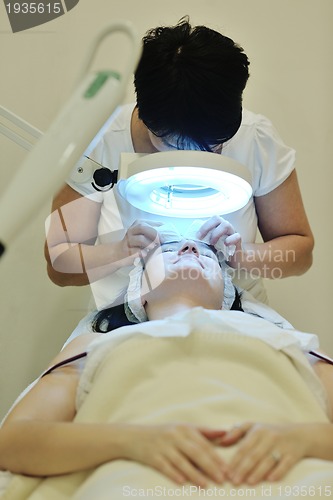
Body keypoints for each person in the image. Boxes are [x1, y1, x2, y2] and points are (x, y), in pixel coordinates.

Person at [1, 238, 332, 496]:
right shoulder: (92, 344)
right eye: (169, 249)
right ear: (138, 291)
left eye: (207, 254)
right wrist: (130, 442)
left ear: (226, 293)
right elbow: (14, 442)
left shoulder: (291, 341)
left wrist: (303, 439)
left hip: (293, 476)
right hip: (132, 479)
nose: (189, 247)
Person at [44, 16, 314, 309]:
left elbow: (300, 254)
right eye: (173, 143)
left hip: (239, 319)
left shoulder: (256, 139)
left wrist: (245, 255)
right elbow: (58, 266)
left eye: (213, 145)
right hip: (123, 325)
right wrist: (119, 253)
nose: (194, 154)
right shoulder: (101, 141)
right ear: (147, 119)